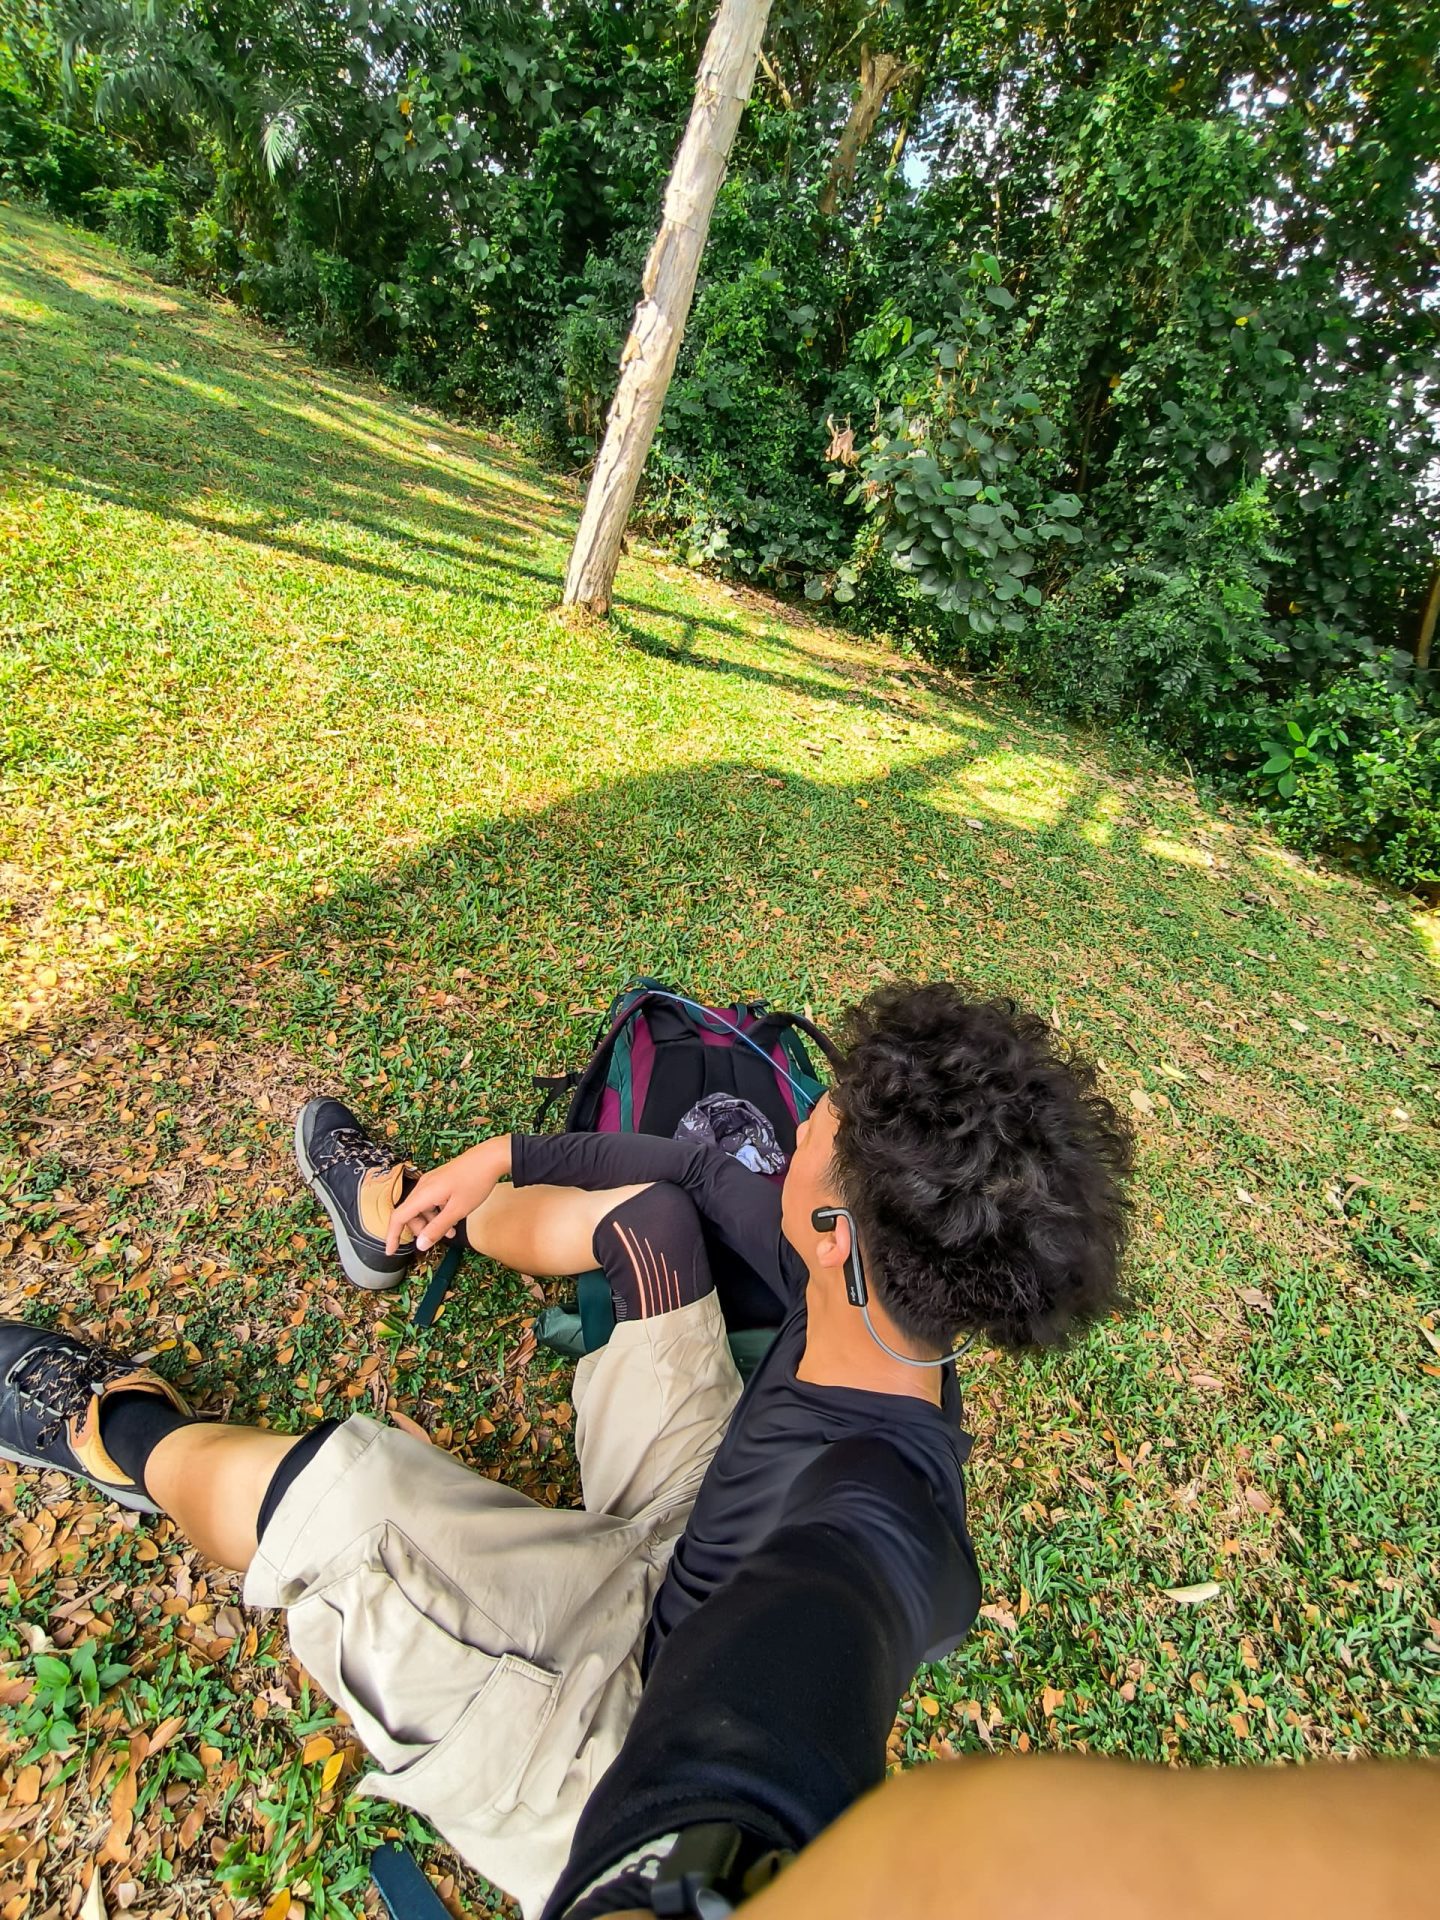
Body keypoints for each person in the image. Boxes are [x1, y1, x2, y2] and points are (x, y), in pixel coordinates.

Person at [0, 983, 1131, 1917]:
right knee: (652, 1222)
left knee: (324, 1494)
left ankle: (113, 1429)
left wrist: (688, 1875)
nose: (787, 1137)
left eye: (811, 1134)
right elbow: (692, 1176)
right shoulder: (868, 1296)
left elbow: (816, 1667)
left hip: (627, 1712)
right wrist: (497, 1155)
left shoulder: (888, 1514)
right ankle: (404, 1211)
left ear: (836, 1230)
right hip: (683, 1521)